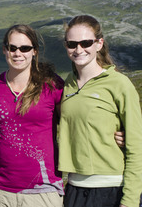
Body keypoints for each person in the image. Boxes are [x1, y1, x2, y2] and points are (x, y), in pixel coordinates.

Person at [58, 15, 142, 207]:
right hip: (74, 189)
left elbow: (137, 147)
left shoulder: (119, 84)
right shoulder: (67, 84)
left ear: (99, 43)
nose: (79, 49)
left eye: (86, 42)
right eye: (72, 44)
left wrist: (129, 200)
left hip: (111, 189)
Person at [0, 24, 64, 207]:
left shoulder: (52, 85)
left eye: (25, 48)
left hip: (44, 188)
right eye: (13, 48)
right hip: (2, 190)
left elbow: (75, 120)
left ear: (34, 51)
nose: (18, 53)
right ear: (5, 50)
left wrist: (112, 132)